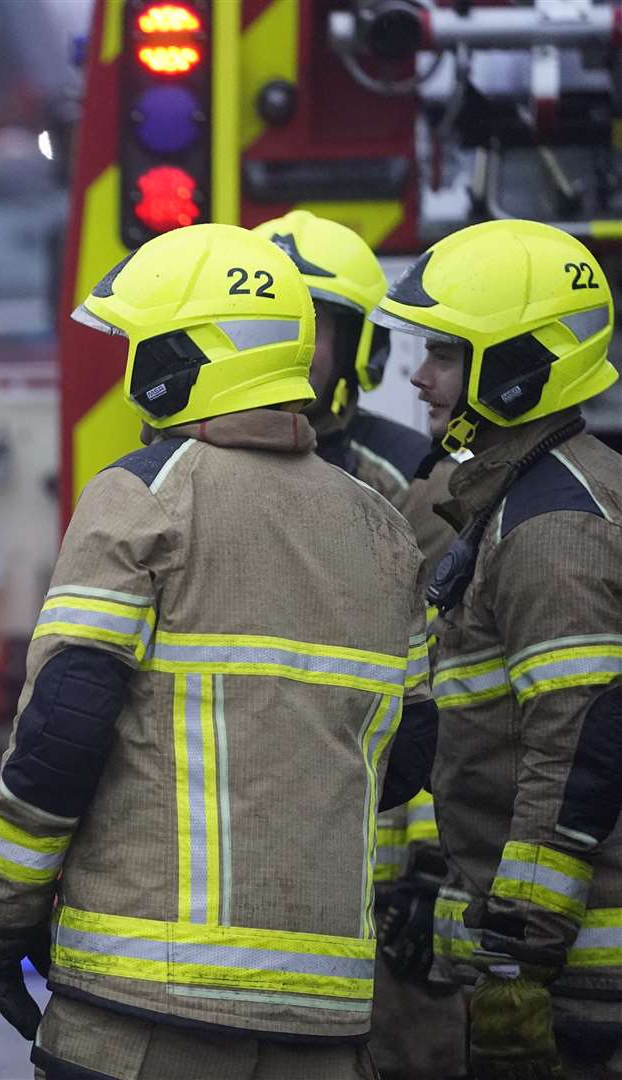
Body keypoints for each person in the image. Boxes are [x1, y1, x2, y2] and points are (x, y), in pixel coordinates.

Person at [0, 222, 439, 1080]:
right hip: (325, 1024)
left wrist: (1, 918)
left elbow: (60, 739)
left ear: (180, 358)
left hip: (144, 1010)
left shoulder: (141, 499)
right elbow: (407, 760)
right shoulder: (384, 527)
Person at [371, 218, 621, 1080]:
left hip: (578, 975)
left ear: (516, 371)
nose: (420, 376)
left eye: (444, 353)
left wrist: (522, 948)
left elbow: (577, 744)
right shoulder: (523, 498)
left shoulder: (554, 530)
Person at [256, 210, 467, 1080]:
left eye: (316, 329)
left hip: (386, 882)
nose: (293, 348)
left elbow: (441, 689)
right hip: (249, 871)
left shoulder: (416, 489)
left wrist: (422, 866)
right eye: (273, 326)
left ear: (361, 355)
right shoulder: (181, 480)